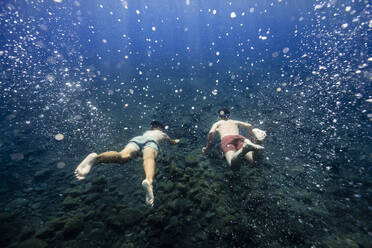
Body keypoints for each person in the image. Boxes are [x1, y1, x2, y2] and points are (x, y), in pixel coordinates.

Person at [74, 120, 179, 207]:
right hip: (152, 142)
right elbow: (171, 142)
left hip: (137, 140)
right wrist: (176, 141)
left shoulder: (146, 132)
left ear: (151, 127)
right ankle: (148, 181)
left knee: (122, 156)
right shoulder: (163, 134)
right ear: (160, 128)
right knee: (149, 158)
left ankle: (96, 158)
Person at [202, 108, 266, 171]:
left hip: (227, 139)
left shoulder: (217, 123)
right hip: (239, 137)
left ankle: (244, 149)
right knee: (255, 161)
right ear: (229, 115)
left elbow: (211, 132)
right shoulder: (234, 121)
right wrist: (252, 138)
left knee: (234, 167)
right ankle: (258, 141)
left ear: (219, 116)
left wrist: (207, 147)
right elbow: (249, 125)